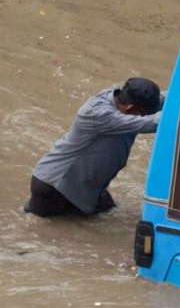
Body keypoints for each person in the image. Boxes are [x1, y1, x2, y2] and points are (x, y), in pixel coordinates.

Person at [25, 77, 163, 217]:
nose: (146, 115)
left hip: (86, 186)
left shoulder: (123, 101)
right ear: (130, 108)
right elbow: (154, 123)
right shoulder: (99, 113)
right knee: (50, 232)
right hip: (56, 187)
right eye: (144, 113)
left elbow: (166, 99)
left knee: (106, 218)